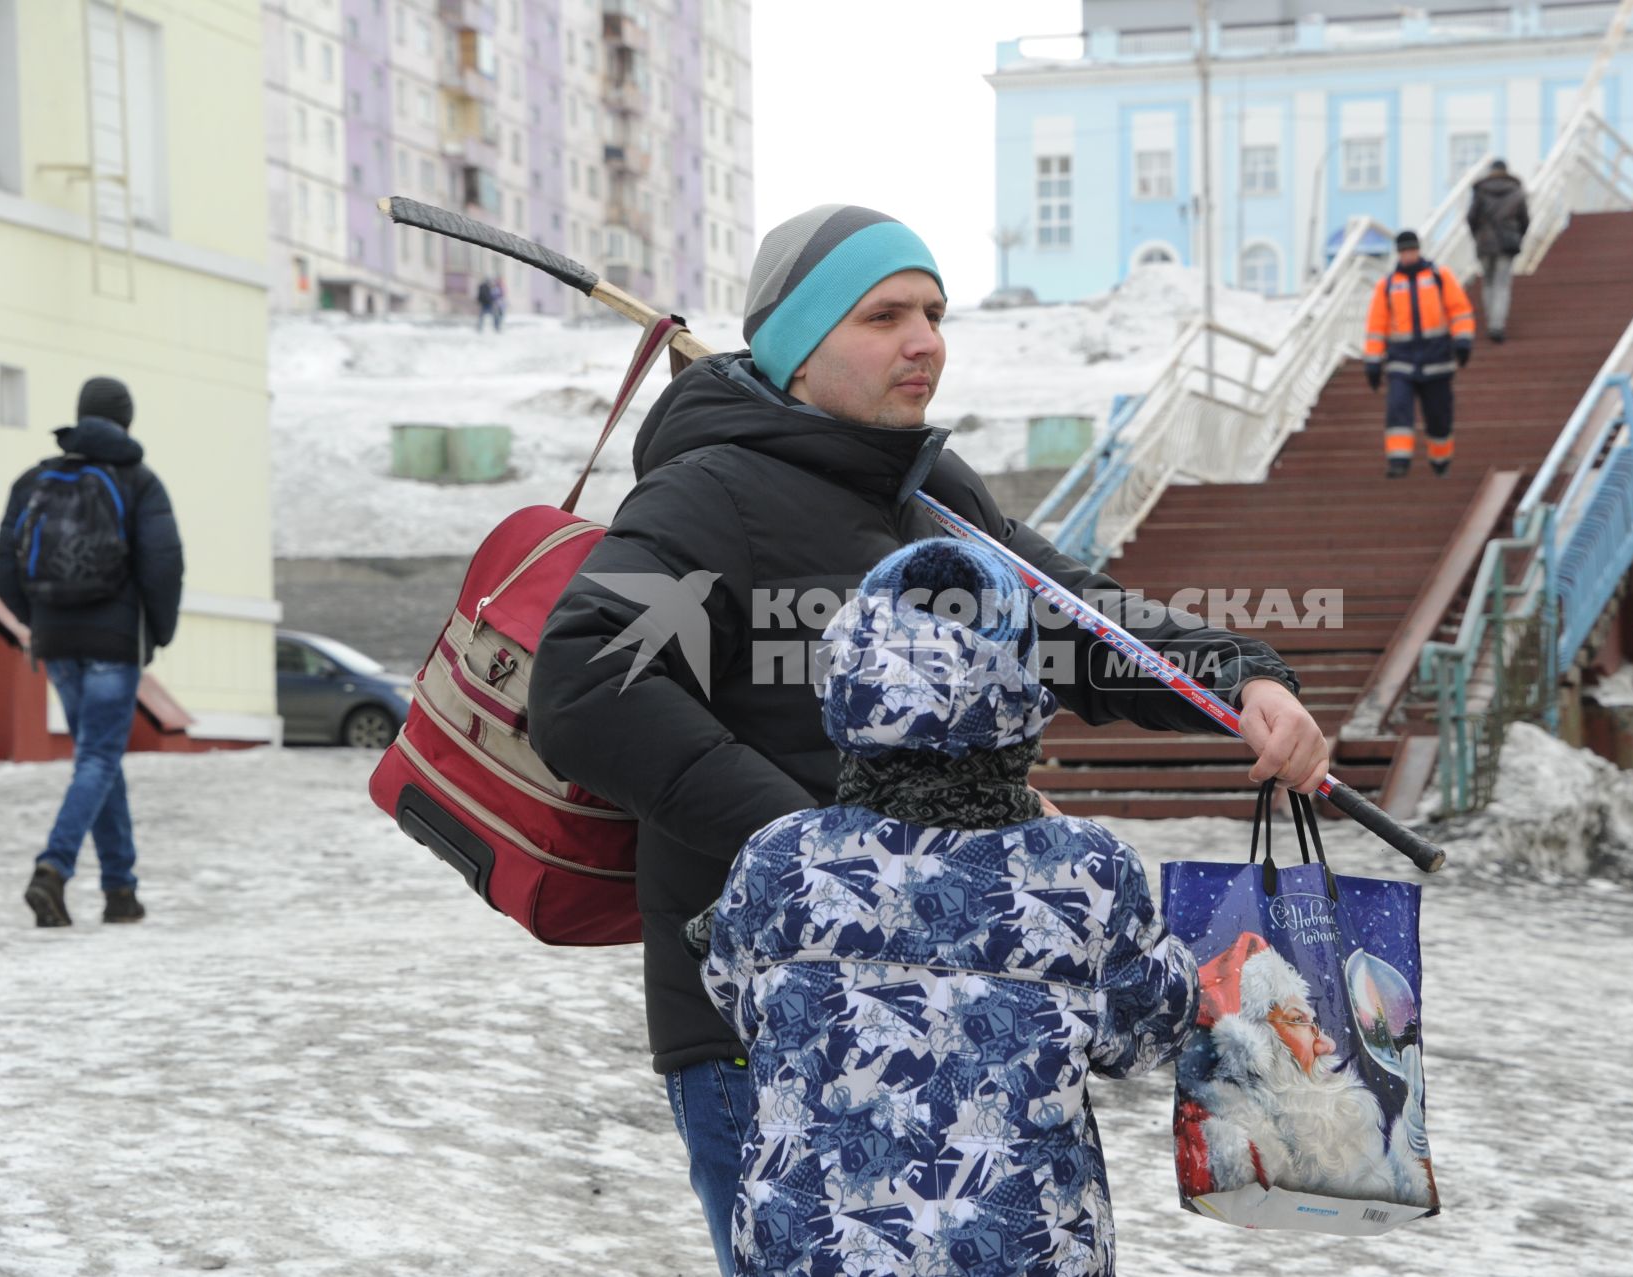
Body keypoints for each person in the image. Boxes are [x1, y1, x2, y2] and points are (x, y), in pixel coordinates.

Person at [526, 203, 1328, 1275]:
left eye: (935, 312)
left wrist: (1238, 680)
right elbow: (587, 683)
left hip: (975, 1020)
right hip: (776, 1021)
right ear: (797, 345)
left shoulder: (930, 492)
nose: (926, 340)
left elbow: (1070, 615)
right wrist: (833, 859)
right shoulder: (708, 494)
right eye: (884, 315)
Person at [699, 536, 1197, 1275]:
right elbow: (1148, 1031)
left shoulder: (778, 859)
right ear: (1020, 700)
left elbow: (734, 996)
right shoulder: (1086, 872)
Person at [0, 377, 184, 927]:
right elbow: (163, 565)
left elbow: (6, 560)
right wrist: (160, 634)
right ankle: (51, 870)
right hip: (114, 643)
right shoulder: (139, 482)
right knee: (99, 758)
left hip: (57, 642)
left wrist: (37, 620)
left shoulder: (36, 480)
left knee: (98, 761)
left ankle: (120, 890)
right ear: (125, 421)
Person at [1174, 932, 1435, 1209]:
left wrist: (1411, 1148)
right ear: (1255, 1042)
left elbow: (1378, 1196)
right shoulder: (1220, 1141)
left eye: (1315, 1024)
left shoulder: (1313, 1141)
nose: (1326, 1045)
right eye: (1298, 1020)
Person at [1362, 229, 1475, 479]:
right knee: (1398, 408)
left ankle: (1440, 459)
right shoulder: (1387, 285)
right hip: (1401, 361)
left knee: (1439, 416)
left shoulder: (1439, 277)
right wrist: (1372, 361)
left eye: (1411, 250)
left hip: (1437, 360)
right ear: (1399, 254)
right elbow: (1376, 326)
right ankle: (1398, 461)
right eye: (1403, 251)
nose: (1408, 255)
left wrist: (1463, 340)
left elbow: (1459, 310)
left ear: (1418, 250)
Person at [1465, 159, 1529, 343]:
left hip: (1484, 244)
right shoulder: (1516, 191)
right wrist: (1517, 235)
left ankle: (1490, 321)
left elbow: (1471, 218)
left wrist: (1478, 235)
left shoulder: (1480, 190)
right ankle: (1497, 325)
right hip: (1507, 243)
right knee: (1502, 284)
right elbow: (1524, 220)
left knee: (1488, 283)